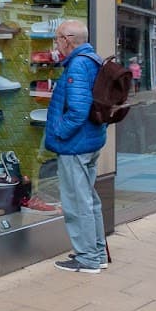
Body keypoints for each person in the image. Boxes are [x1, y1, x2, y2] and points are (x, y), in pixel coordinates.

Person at [44, 20, 107, 274]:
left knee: (77, 202)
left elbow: (78, 110)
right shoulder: (92, 59)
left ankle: (88, 258)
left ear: (68, 39)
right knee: (89, 200)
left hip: (75, 144)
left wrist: (58, 131)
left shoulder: (78, 65)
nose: (56, 43)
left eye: (57, 38)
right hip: (90, 140)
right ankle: (98, 252)